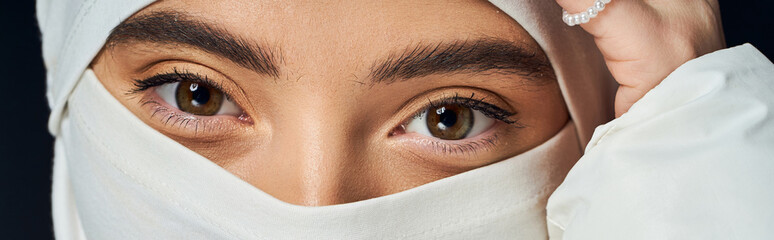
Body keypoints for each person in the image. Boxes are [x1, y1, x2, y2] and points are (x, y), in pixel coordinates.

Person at [37, 0, 774, 239]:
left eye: (449, 119)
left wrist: (700, 185)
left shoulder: (684, 173)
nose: (313, 212)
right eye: (196, 95)